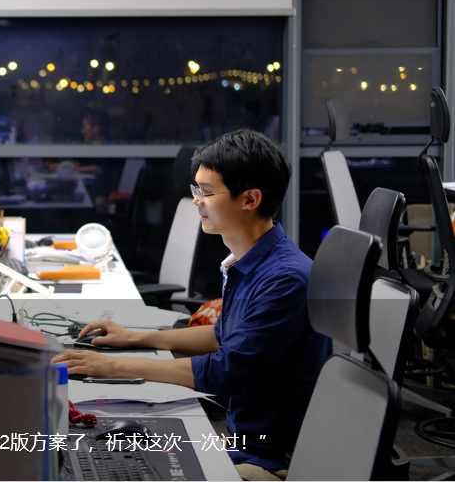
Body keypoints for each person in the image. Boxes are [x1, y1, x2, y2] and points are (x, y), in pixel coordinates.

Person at [52, 129, 330, 481]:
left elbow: (224, 370)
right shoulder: (249, 260)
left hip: (268, 458)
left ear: (250, 199)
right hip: (239, 441)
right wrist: (134, 338)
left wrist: (113, 366)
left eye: (207, 192)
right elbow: (222, 335)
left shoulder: (286, 279)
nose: (197, 201)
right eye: (195, 189)